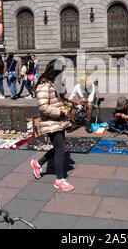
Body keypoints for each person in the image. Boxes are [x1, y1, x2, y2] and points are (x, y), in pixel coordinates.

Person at [30, 59, 74, 191]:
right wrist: (61, 112)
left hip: (58, 121)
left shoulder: (52, 83)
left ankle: (38, 163)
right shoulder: (43, 85)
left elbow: (60, 97)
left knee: (58, 147)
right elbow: (43, 107)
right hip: (51, 121)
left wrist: (67, 102)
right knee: (61, 149)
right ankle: (59, 180)